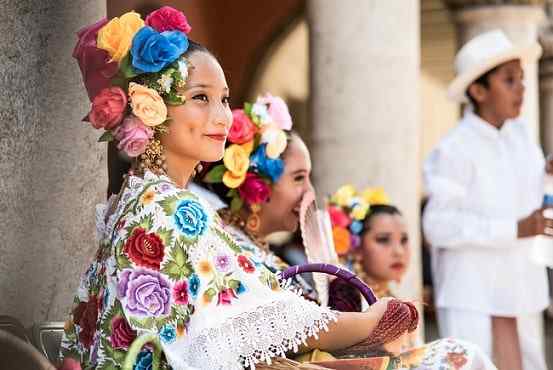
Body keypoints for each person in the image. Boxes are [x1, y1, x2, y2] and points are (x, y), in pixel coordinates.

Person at [60, 7, 418, 370]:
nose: (222, 116)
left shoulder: (141, 196)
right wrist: (367, 323)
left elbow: (237, 313)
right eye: (201, 97)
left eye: (224, 99)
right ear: (150, 107)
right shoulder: (170, 206)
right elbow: (256, 318)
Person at [197, 97, 496, 369]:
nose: (310, 193)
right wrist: (367, 323)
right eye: (299, 178)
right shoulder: (227, 248)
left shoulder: (258, 250)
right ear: (256, 185)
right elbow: (275, 331)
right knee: (460, 357)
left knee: (462, 354)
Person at [423, 29, 551, 370]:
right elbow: (437, 225)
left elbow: (533, 195)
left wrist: (548, 174)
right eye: (510, 80)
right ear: (478, 91)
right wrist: (513, 228)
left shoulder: (522, 136)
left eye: (522, 78)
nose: (522, 88)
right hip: (472, 290)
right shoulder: (453, 150)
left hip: (519, 283)